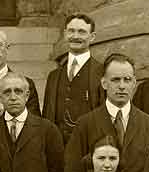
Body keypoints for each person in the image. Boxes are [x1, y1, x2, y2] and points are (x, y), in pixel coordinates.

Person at [64, 53, 149, 172]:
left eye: (127, 80)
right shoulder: (86, 123)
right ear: (104, 83)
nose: (122, 86)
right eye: (115, 80)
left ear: (134, 83)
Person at [42, 14, 105, 144]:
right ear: (65, 34)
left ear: (92, 37)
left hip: (89, 147)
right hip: (58, 149)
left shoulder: (102, 73)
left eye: (81, 32)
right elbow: (47, 118)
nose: (75, 36)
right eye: (71, 31)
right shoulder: (54, 76)